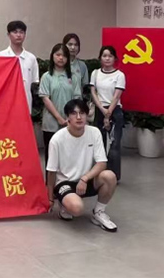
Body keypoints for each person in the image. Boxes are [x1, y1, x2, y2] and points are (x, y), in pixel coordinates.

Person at [46, 99, 118, 232]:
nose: (79, 117)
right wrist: (50, 199)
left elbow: (102, 163)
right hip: (65, 183)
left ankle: (99, 212)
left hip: (85, 180)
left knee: (109, 176)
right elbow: (51, 172)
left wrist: (85, 178)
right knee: (77, 209)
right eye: (74, 113)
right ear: (67, 117)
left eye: (82, 113)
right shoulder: (57, 139)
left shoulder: (94, 132)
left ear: (87, 115)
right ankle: (65, 205)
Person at [39, 44, 82, 170]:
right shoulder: (47, 76)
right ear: (52, 56)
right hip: (51, 122)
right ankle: (50, 181)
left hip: (70, 122)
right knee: (51, 155)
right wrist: (59, 118)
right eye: (58, 55)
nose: (61, 58)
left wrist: (70, 118)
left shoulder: (73, 77)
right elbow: (45, 98)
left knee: (69, 155)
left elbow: (77, 99)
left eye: (64, 55)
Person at [90, 45, 126, 182]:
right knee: (99, 144)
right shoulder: (95, 73)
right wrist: (103, 110)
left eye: (110, 56)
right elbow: (93, 93)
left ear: (115, 58)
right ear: (100, 58)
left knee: (114, 145)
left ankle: (114, 176)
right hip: (100, 109)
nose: (107, 58)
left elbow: (116, 96)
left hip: (114, 111)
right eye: (104, 56)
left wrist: (108, 113)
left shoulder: (119, 75)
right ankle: (100, 173)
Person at [0, 20, 39, 113]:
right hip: (6, 103)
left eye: (21, 32)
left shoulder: (31, 58)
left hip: (25, 103)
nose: (18, 35)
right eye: (15, 32)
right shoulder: (1, 56)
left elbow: (34, 82)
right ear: (8, 35)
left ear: (25, 35)